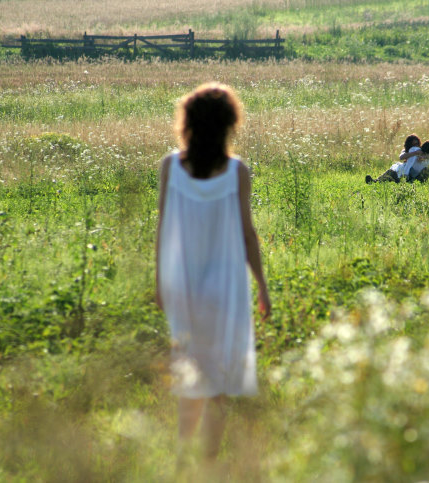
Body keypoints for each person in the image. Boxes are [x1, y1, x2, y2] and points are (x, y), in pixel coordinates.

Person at [155, 82, 271, 464]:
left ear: (186, 122)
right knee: (218, 381)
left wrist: (160, 283)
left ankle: (180, 457)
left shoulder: (170, 167)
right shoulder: (237, 171)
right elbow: (247, 233)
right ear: (229, 124)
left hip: (183, 286)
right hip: (226, 289)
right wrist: (263, 287)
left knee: (189, 373)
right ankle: (207, 462)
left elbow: (163, 228)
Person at [365, 134, 429, 184]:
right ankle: (375, 182)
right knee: (391, 172)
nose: (415, 146)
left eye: (417, 144)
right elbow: (401, 157)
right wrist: (414, 153)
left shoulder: (421, 150)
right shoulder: (408, 151)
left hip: (415, 173)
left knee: (427, 170)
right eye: (413, 144)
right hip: (404, 171)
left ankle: (415, 183)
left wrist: (423, 157)